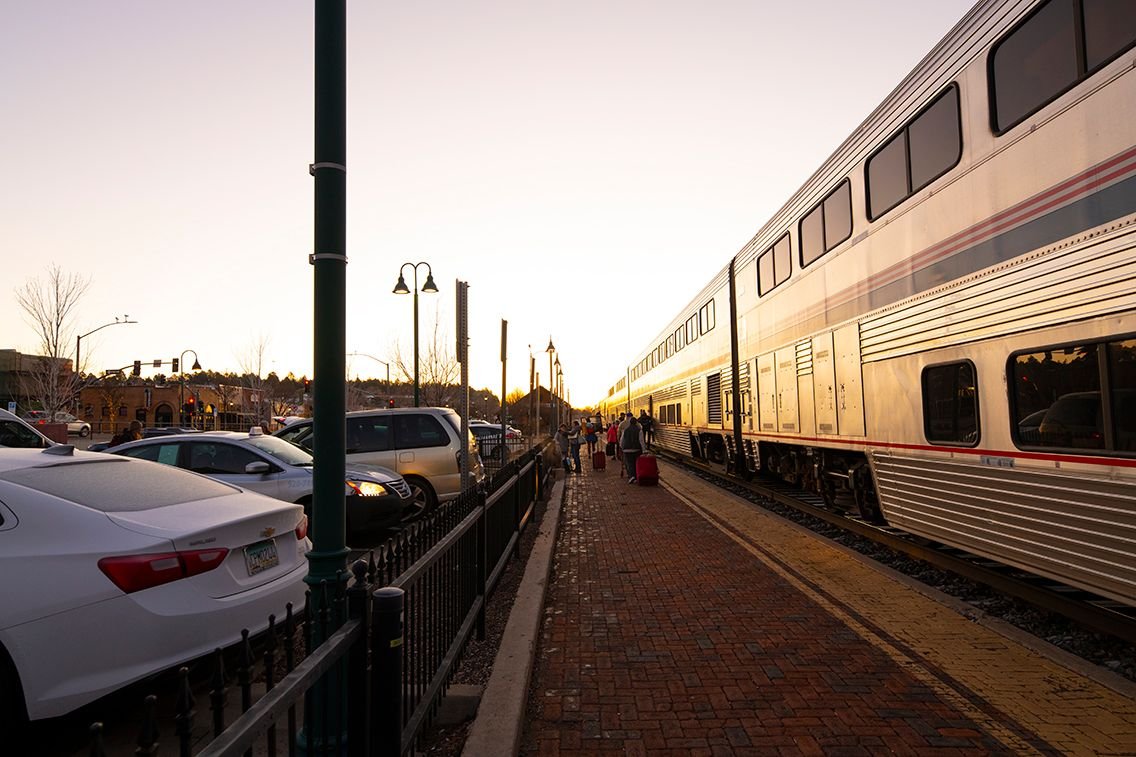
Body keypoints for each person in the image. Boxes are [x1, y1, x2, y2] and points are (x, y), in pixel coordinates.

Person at [620, 415, 645, 483]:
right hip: (636, 449)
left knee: (629, 463)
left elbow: (622, 440)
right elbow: (641, 441)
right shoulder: (639, 430)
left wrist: (622, 447)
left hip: (627, 449)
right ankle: (636, 476)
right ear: (636, 423)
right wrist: (644, 450)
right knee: (636, 462)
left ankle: (631, 476)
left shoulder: (625, 430)